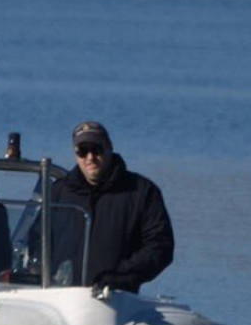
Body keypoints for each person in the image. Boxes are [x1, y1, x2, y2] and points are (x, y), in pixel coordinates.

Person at [52, 120, 174, 293]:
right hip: (61, 296)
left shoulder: (142, 192)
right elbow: (37, 241)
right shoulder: (57, 192)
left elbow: (160, 247)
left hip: (116, 301)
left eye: (97, 149)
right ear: (75, 153)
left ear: (109, 147)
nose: (90, 157)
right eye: (83, 151)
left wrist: (120, 276)